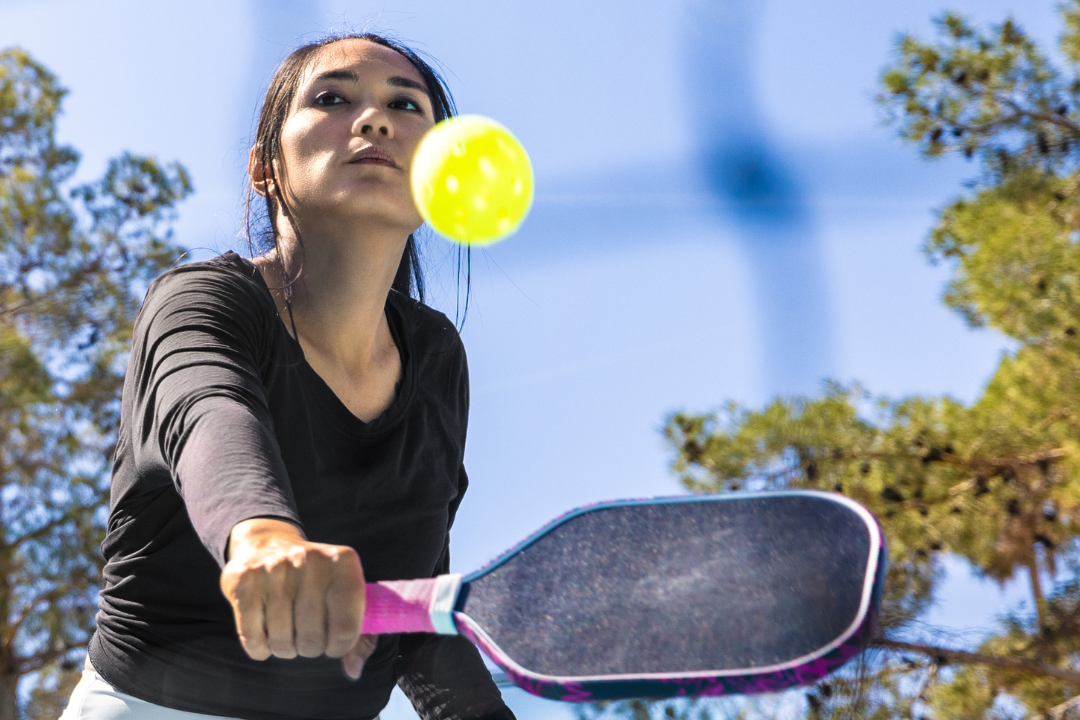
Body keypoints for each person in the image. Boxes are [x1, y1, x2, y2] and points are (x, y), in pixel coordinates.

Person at [61, 33, 514, 720]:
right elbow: (210, 412)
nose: (375, 119)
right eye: (332, 98)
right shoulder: (202, 300)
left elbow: (415, 597)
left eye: (405, 104)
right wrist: (263, 536)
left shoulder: (437, 357)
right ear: (264, 167)